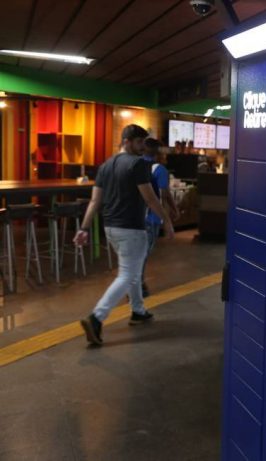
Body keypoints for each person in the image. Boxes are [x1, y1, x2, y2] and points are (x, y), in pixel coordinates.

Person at [75, 125, 174, 346]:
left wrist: (84, 228)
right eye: (139, 142)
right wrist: (166, 221)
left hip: (110, 228)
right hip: (131, 228)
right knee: (128, 274)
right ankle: (96, 318)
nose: (143, 147)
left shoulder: (106, 165)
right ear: (127, 141)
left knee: (133, 271)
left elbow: (95, 201)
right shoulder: (138, 164)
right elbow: (150, 199)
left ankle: (138, 311)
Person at [140, 138, 179, 297]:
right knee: (143, 254)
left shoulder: (136, 165)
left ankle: (136, 284)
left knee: (137, 253)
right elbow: (164, 194)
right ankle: (138, 286)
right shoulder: (160, 169)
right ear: (158, 153)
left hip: (134, 216)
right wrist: (169, 216)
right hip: (151, 217)